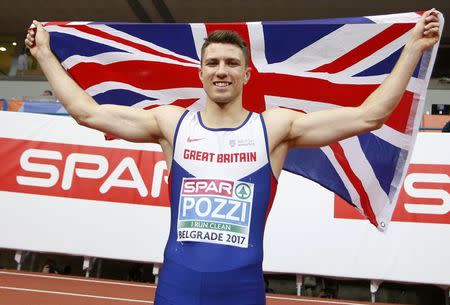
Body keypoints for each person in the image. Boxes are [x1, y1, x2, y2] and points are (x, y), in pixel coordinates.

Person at [25, 9, 440, 305]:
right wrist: (44, 55)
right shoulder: (171, 124)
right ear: (200, 73)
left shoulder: (275, 128)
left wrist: (413, 48)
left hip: (240, 291)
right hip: (176, 289)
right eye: (213, 63)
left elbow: (370, 115)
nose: (221, 70)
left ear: (246, 74)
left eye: (231, 63)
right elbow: (87, 113)